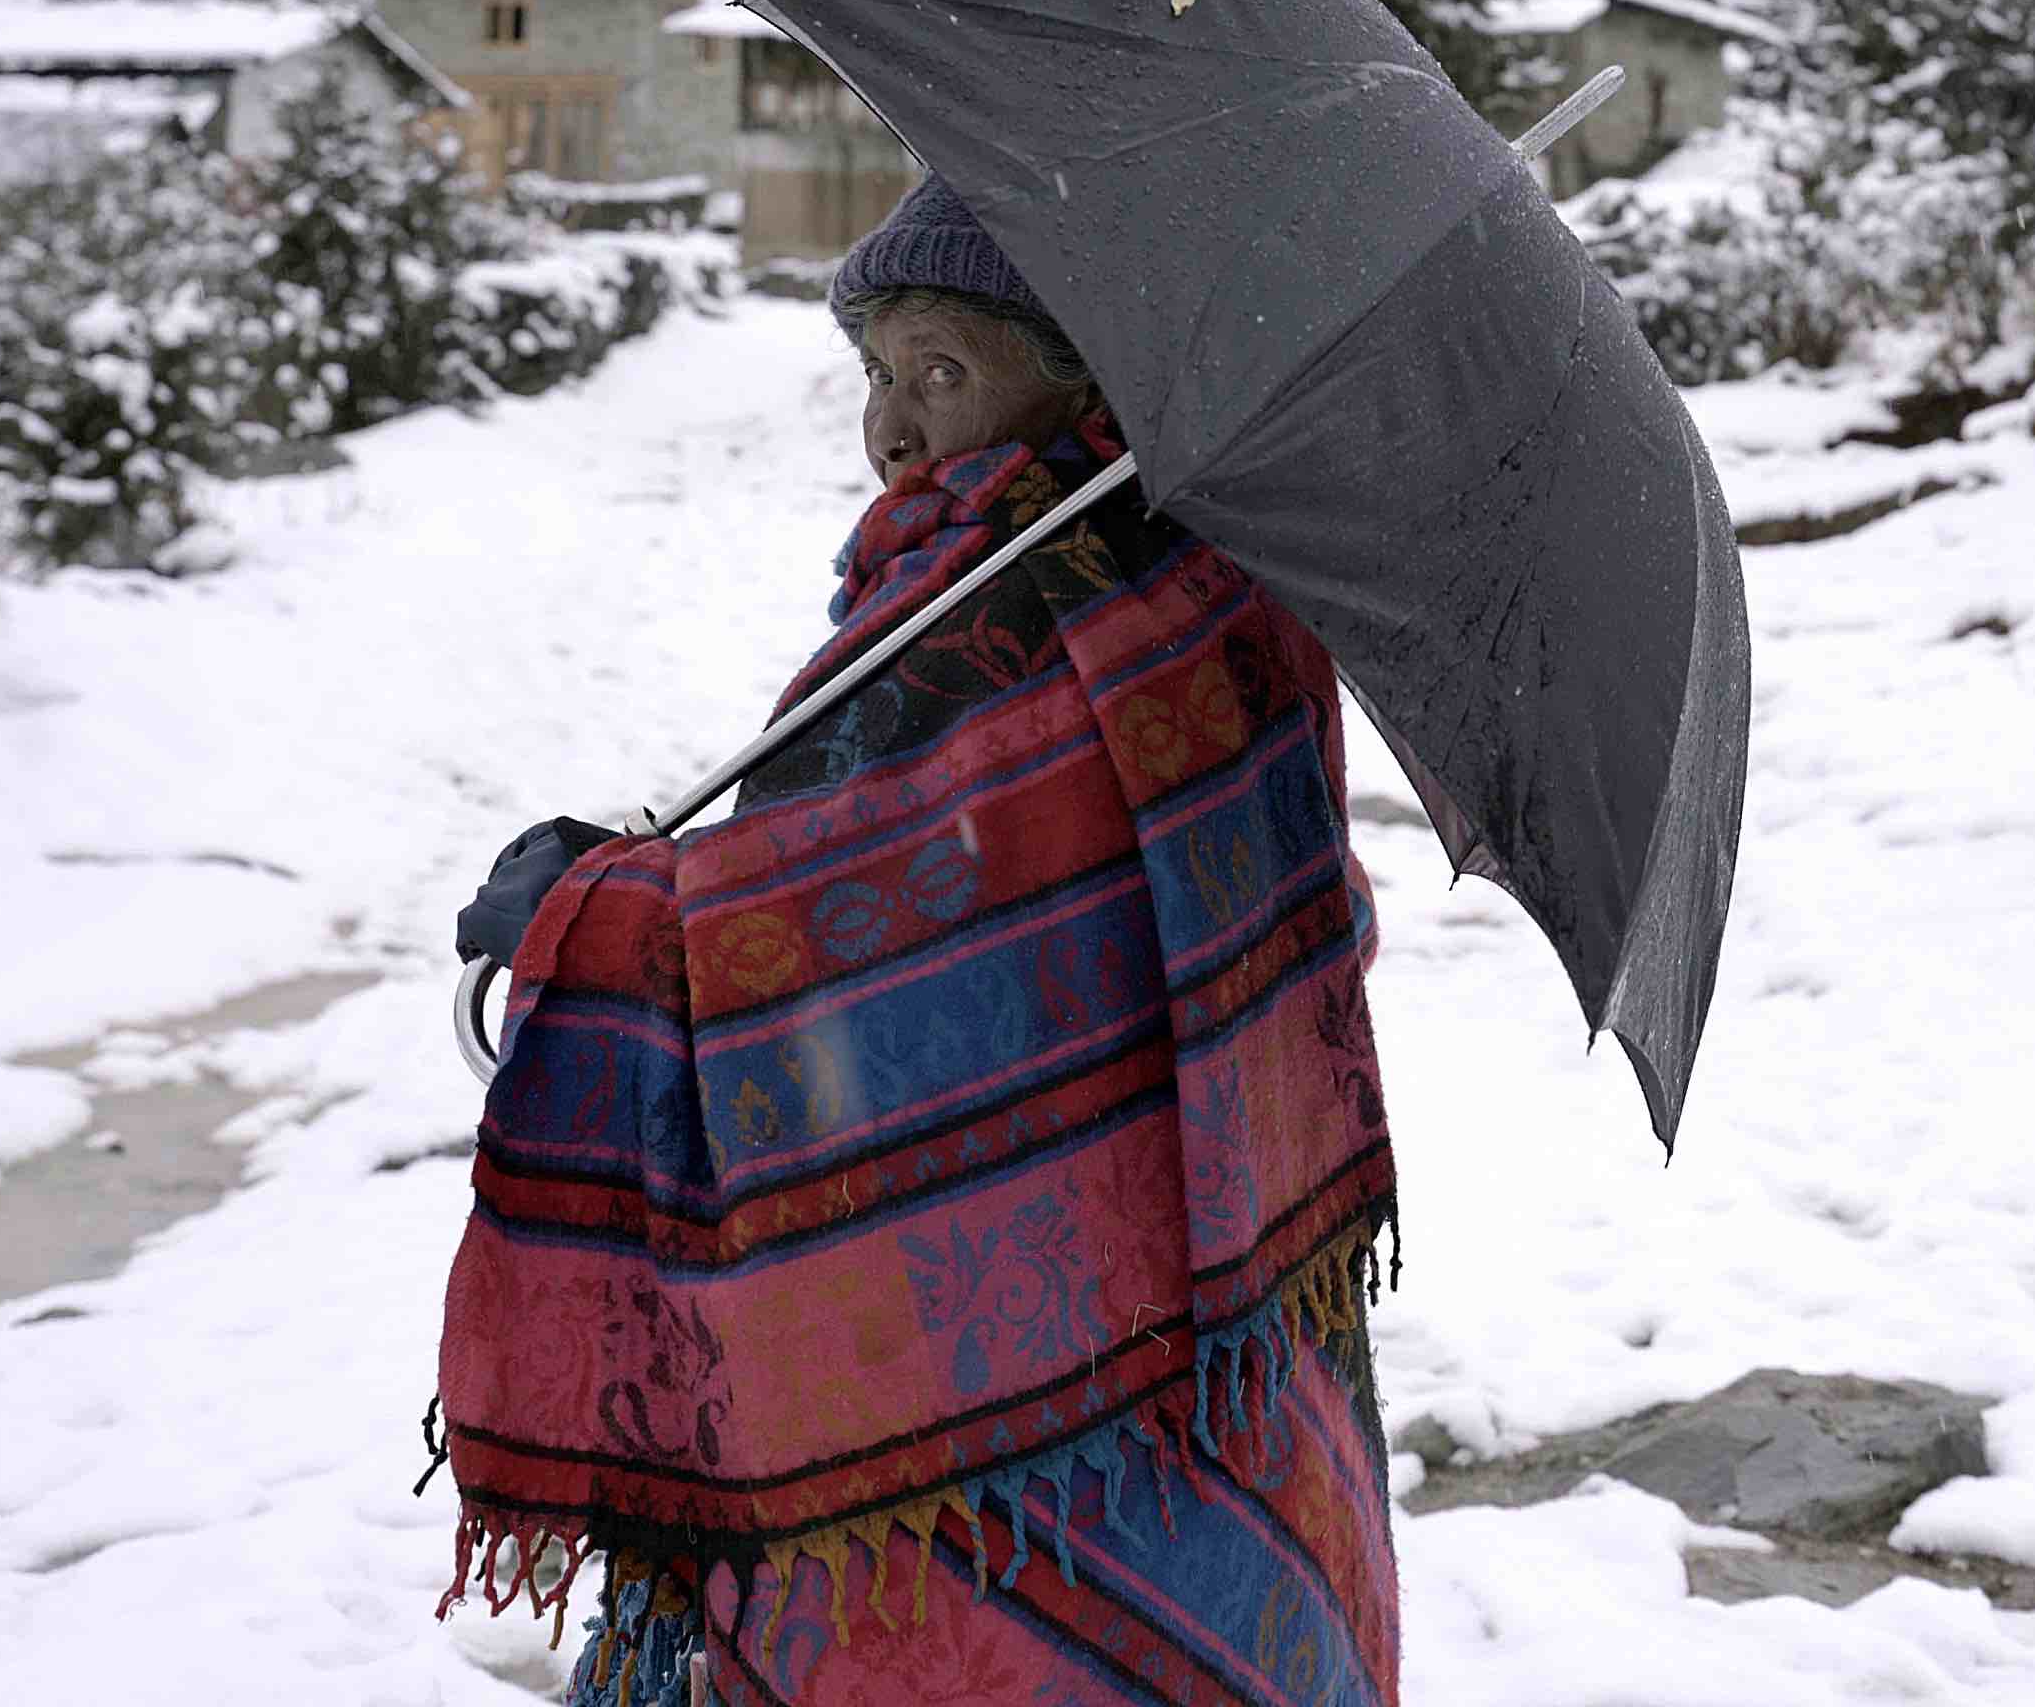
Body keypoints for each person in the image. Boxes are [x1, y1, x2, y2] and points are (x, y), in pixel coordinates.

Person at [434, 174, 1403, 1707]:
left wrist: (587, 912)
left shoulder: (1016, 618)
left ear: (1084, 372)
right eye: (877, 374)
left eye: (943, 372)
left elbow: (831, 978)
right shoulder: (1196, 580)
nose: (892, 426)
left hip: (985, 1446)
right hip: (1216, 1367)